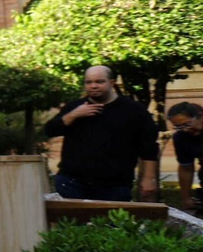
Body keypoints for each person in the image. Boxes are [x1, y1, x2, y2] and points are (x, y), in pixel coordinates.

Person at [42, 65, 159, 202]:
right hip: (72, 182)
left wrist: (149, 178)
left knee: (112, 217)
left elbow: (148, 147)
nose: (93, 86)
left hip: (115, 185)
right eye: (89, 82)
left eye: (99, 82)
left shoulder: (133, 110)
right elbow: (50, 130)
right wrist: (74, 114)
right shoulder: (75, 107)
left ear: (112, 83)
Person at [167, 101, 202, 213]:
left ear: (200, 116)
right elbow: (186, 167)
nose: (185, 130)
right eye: (179, 127)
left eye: (187, 124)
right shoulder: (181, 138)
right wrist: (186, 198)